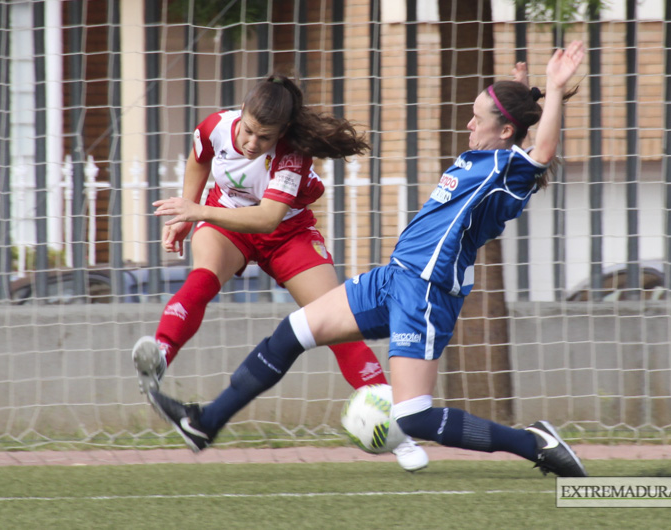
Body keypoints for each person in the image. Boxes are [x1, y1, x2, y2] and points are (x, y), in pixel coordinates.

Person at [149, 42, 588, 477]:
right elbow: (516, 135)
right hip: (393, 279)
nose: (469, 121)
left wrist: (550, 89)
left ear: (507, 132)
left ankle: (534, 442)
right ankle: (205, 423)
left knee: (413, 417)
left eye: (479, 116)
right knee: (292, 333)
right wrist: (524, 95)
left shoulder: (506, 172)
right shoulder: (487, 157)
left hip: (426, 294)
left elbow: (541, 153)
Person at [132, 74, 428, 471]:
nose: (252, 143)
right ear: (242, 114)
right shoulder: (215, 127)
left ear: (283, 133)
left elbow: (269, 218)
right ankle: (160, 355)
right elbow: (199, 158)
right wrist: (188, 207)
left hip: (287, 233)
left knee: (338, 325)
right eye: (249, 131)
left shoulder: (292, 155)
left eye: (265, 138)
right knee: (202, 278)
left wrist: (196, 210)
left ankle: (399, 434)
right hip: (226, 223)